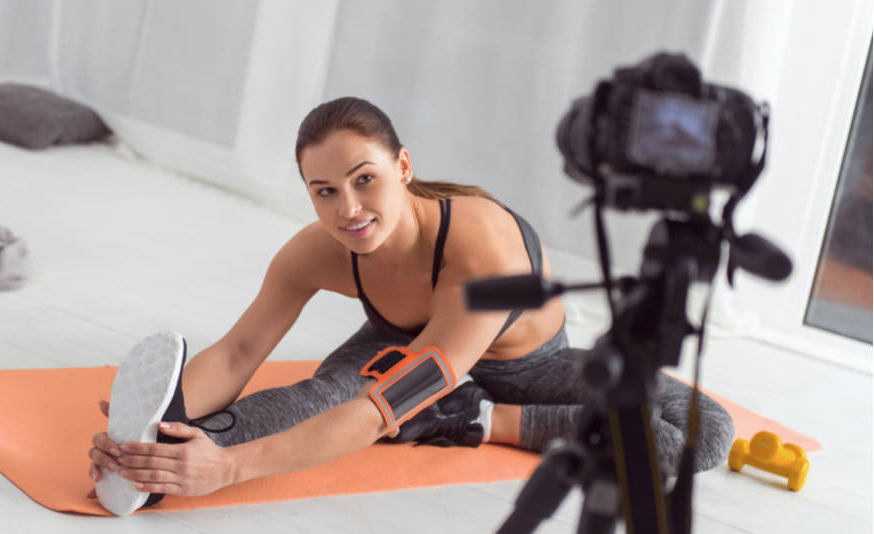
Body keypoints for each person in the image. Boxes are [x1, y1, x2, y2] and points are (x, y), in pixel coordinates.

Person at [87, 96, 734, 501]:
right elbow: (239, 352)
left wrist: (226, 472)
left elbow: (376, 413)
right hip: (403, 346)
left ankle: (477, 418)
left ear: (403, 167)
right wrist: (156, 434)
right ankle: (165, 458)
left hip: (528, 369)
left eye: (364, 180)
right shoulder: (315, 250)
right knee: (318, 395)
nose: (349, 210)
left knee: (703, 435)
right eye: (325, 191)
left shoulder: (484, 255)